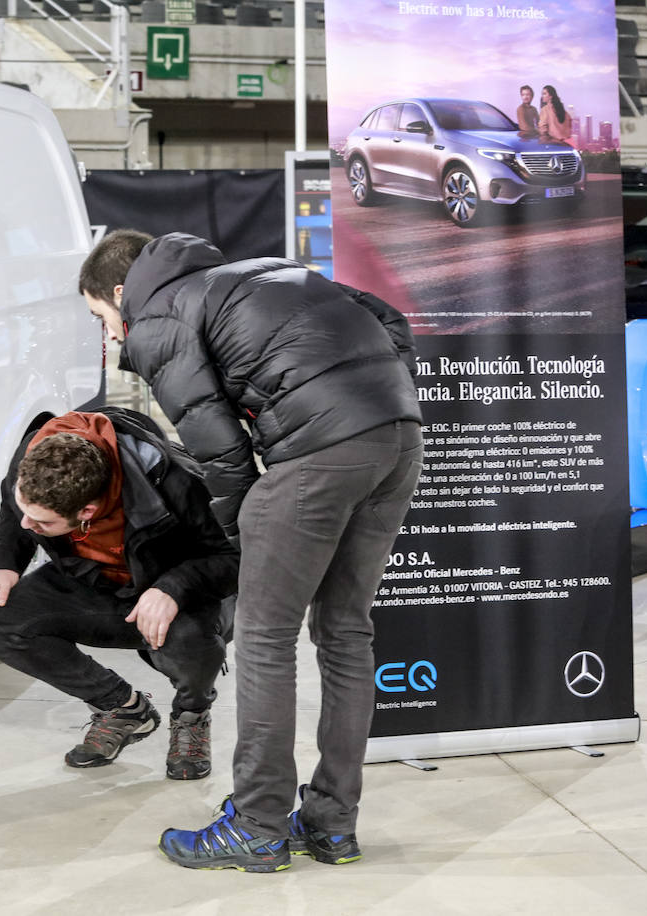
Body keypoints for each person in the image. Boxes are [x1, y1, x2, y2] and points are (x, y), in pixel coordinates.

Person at [78, 230, 422, 872]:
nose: (110, 336)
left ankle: (258, 825)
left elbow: (217, 447)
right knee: (346, 632)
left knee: (264, 636)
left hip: (319, 454)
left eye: (101, 317)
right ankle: (331, 824)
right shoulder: (258, 272)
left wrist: (244, 534)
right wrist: (375, 397)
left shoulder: (159, 315)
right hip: (397, 437)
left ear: (121, 292)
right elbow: (385, 315)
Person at [0, 407, 238, 780]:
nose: (30, 525)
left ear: (88, 511)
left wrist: (172, 588)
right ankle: (123, 709)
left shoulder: (176, 481)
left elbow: (233, 558)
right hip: (97, 582)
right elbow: (16, 511)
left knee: (190, 638)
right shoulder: (37, 453)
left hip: (176, 588)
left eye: (43, 523)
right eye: (27, 510)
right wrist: (4, 562)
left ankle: (191, 714)